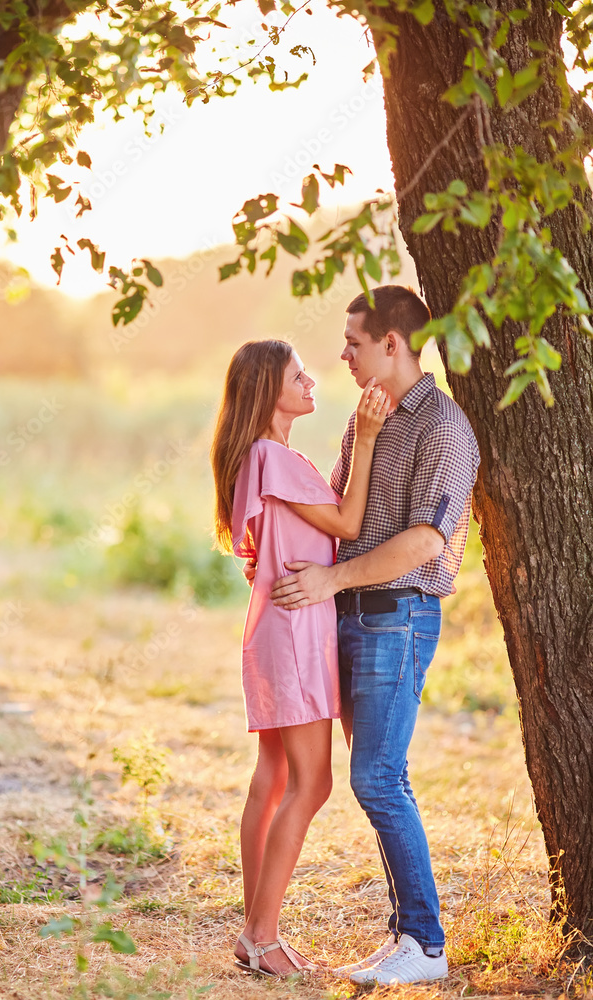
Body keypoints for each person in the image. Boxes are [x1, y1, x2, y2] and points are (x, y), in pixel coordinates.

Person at [270, 286, 480, 986]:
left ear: (392, 344)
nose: (342, 355)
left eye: (353, 342)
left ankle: (425, 943)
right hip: (352, 618)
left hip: (398, 617)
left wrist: (331, 580)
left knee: (377, 778)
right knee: (381, 777)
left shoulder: (442, 427)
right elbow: (336, 513)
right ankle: (405, 936)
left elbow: (425, 541)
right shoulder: (365, 418)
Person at [210, 339, 389, 977]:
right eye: (298, 376)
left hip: (280, 626)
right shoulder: (272, 456)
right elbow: (347, 524)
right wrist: (367, 438)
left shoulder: (264, 457)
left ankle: (255, 933)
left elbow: (270, 544)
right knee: (312, 783)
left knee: (275, 774)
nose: (311, 382)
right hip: (293, 631)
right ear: (269, 390)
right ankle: (261, 936)